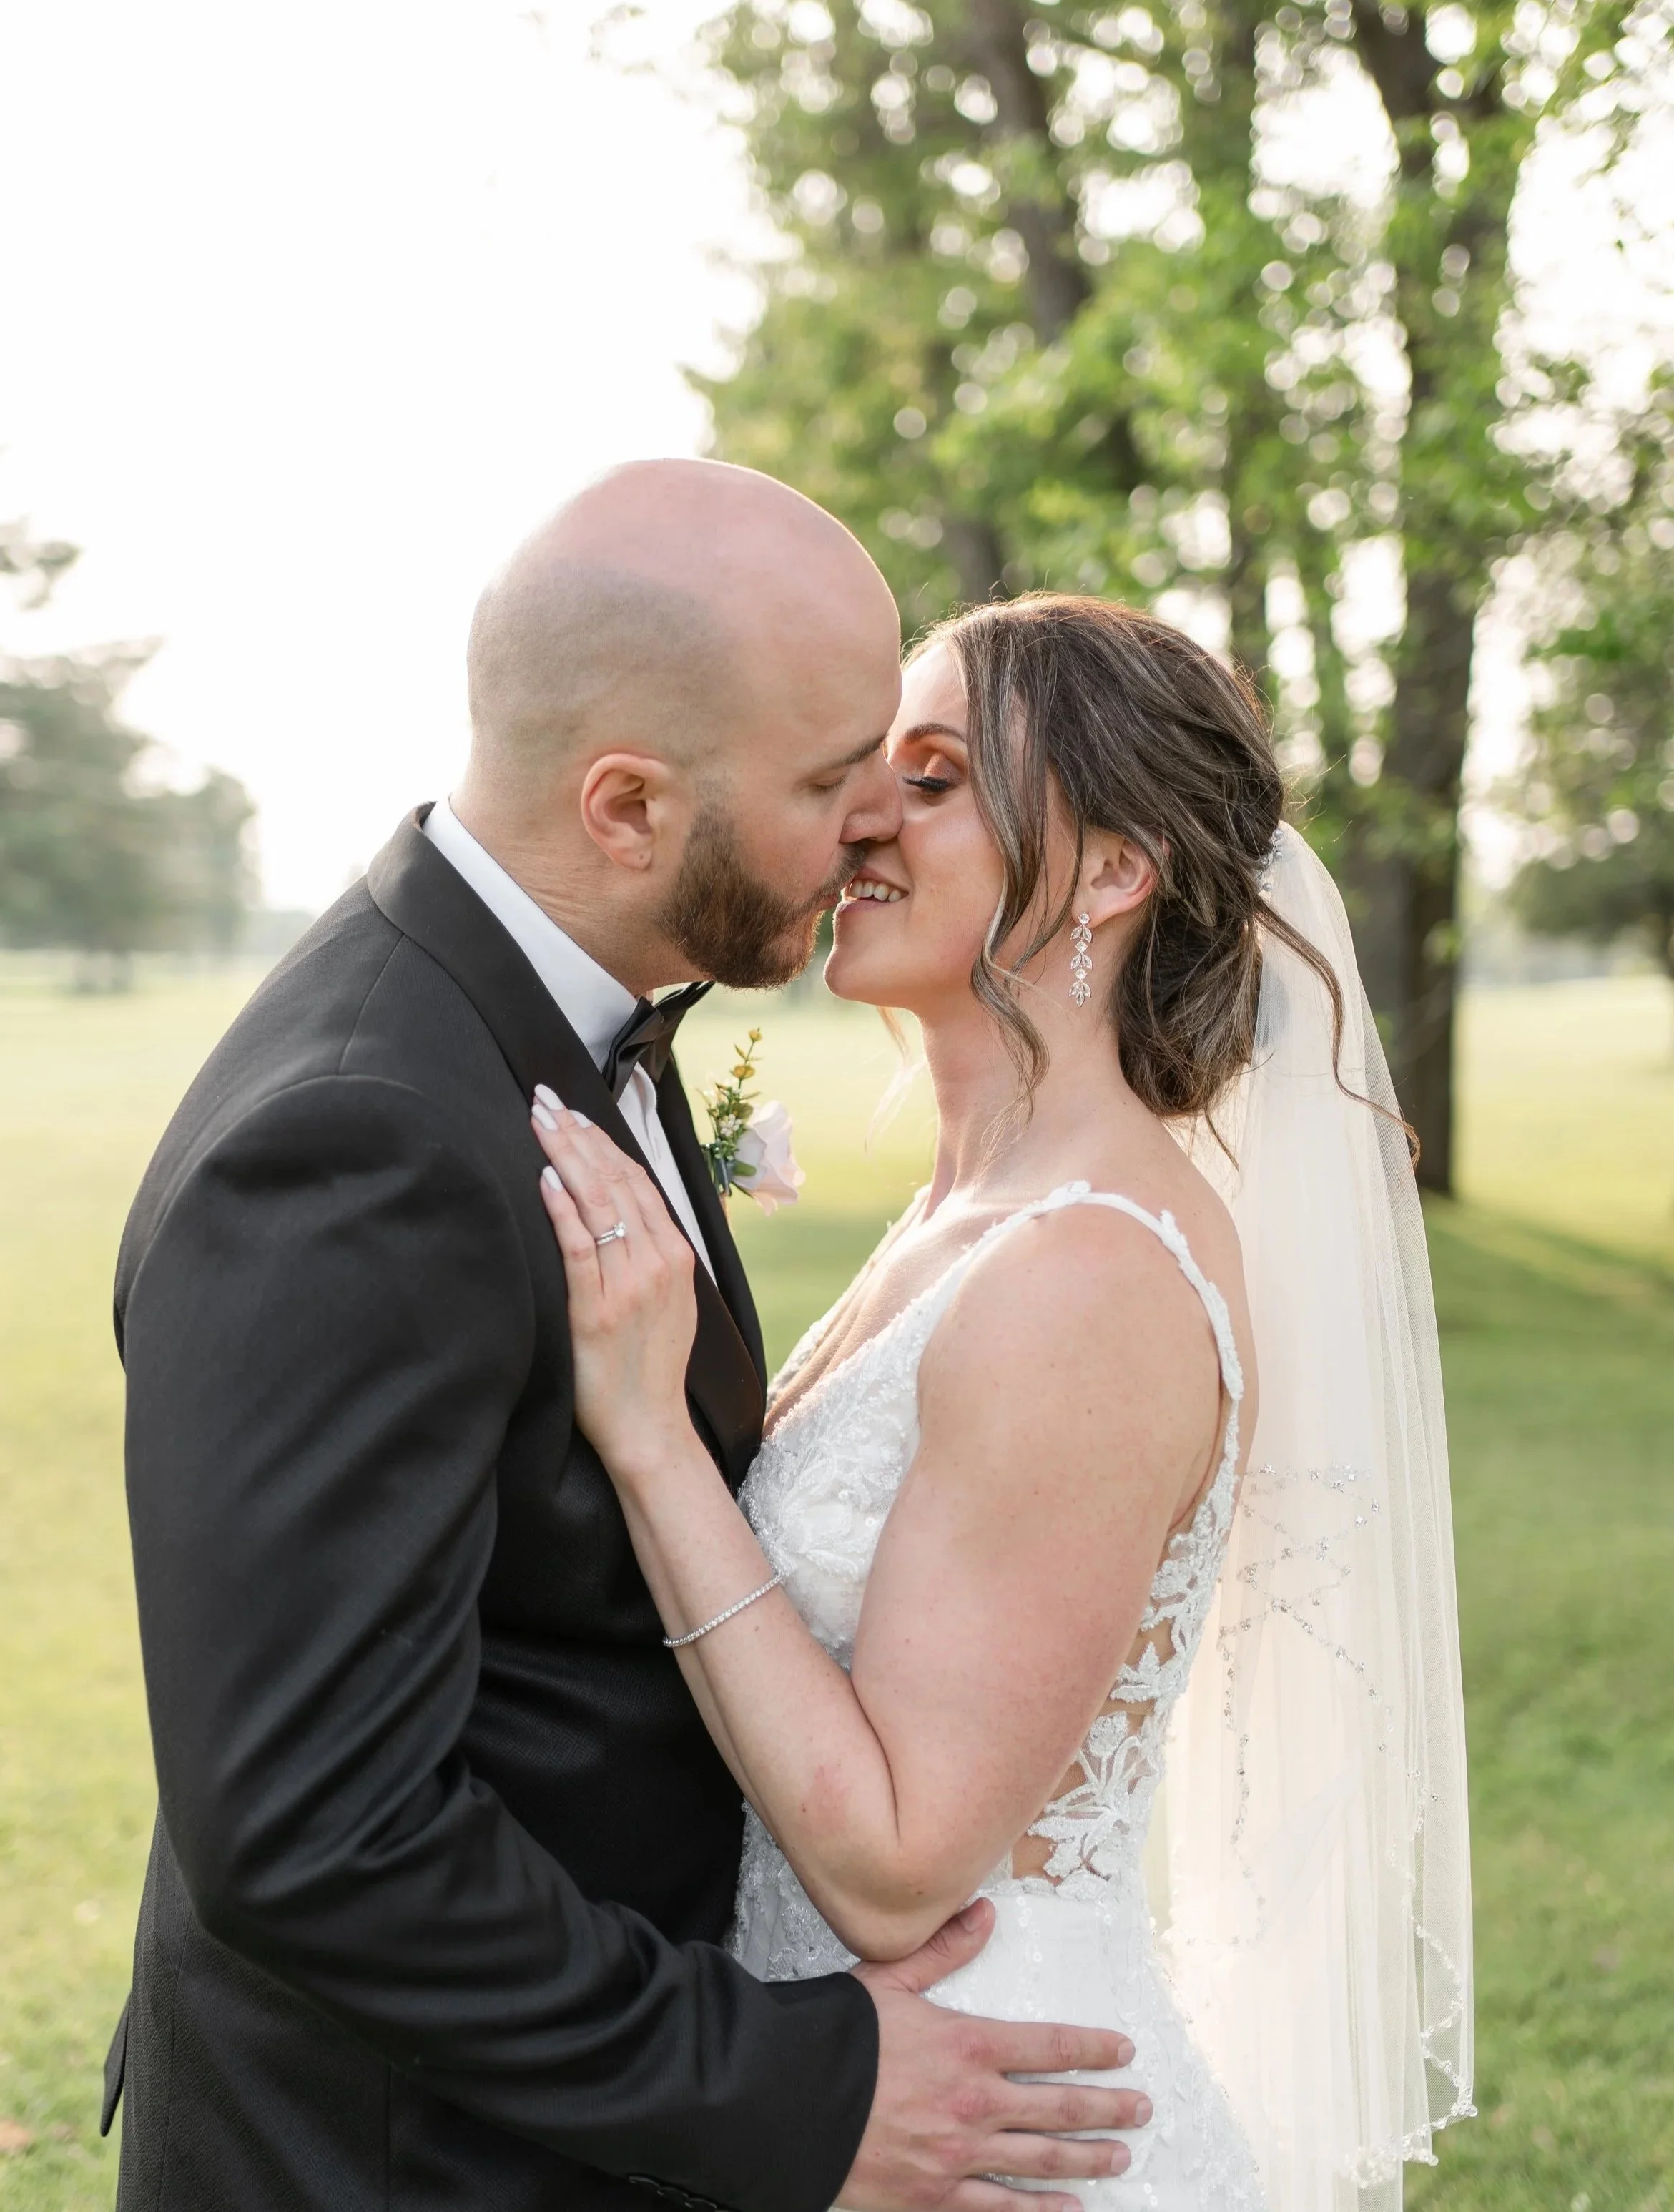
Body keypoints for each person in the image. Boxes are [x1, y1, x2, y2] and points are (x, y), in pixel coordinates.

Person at [103, 464, 1150, 2212]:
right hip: (404, 2159)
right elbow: (311, 1832)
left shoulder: (572, 1020)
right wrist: (788, 2089)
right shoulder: (358, 1141)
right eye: (829, 782)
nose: (865, 828)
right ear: (625, 806)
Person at [531, 594, 1476, 2211]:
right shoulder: (968, 1216)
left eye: (934, 774)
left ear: (1112, 871)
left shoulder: (1087, 1275)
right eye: (859, 769)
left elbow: (900, 1857)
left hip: (1002, 2127)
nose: (859, 818)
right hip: (864, 2098)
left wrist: (644, 1436)